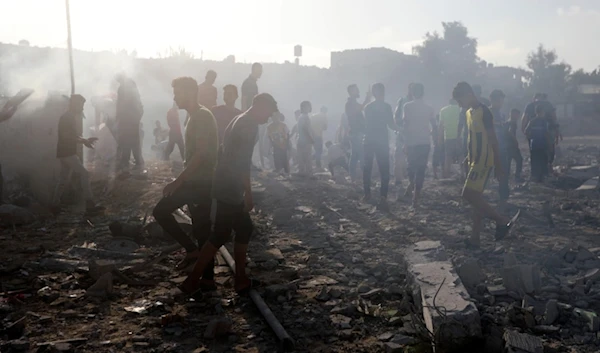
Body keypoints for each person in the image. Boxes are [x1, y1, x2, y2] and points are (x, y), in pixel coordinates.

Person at [180, 93, 279, 296]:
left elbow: (226, 152)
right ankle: (194, 280)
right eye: (268, 113)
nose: (268, 118)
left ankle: (239, 278)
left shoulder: (240, 119)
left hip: (226, 183)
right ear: (260, 106)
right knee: (221, 234)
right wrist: (248, 193)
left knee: (243, 228)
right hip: (229, 187)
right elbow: (242, 163)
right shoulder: (248, 126)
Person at [152, 77, 218, 277]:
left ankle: (206, 278)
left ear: (189, 93)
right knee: (199, 228)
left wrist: (177, 181)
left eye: (177, 92)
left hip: (200, 182)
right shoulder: (193, 117)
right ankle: (194, 256)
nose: (174, 97)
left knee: (199, 228)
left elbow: (201, 153)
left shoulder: (201, 116)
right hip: (195, 181)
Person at [452, 82, 519, 248]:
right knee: (477, 199)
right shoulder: (468, 113)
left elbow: (492, 139)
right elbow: (472, 138)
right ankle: (475, 238)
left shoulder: (485, 112)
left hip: (484, 160)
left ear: (468, 94)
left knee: (468, 194)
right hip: (474, 160)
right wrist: (467, 157)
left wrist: (498, 164)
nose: (459, 105)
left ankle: (502, 220)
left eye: (460, 101)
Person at [52, 94, 103, 213]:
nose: (82, 108)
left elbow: (71, 135)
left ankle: (54, 204)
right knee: (84, 174)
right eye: (81, 105)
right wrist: (84, 141)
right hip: (67, 152)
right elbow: (67, 136)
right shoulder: (67, 117)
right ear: (74, 104)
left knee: (63, 179)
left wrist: (84, 140)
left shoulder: (69, 117)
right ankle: (89, 203)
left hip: (65, 152)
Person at [362, 83, 399, 207]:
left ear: (373, 93)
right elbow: (391, 125)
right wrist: (402, 129)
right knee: (384, 170)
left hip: (368, 140)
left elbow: (366, 125)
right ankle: (383, 196)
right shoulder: (387, 107)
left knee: (367, 168)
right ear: (383, 92)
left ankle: (367, 194)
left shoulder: (368, 107)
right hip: (382, 141)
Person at [402, 83, 435, 209]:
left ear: (412, 93)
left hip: (411, 142)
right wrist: (433, 136)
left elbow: (405, 125)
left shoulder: (407, 106)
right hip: (424, 142)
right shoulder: (429, 108)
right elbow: (434, 125)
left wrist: (404, 142)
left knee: (411, 168)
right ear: (423, 93)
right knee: (421, 169)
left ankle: (412, 186)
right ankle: (416, 197)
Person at [115, 74, 144, 170]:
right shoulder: (131, 83)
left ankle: (125, 160)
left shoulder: (123, 88)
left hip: (128, 117)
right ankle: (137, 160)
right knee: (134, 139)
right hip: (135, 115)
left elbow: (121, 104)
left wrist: (118, 116)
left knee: (126, 138)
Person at [489, 89, 510, 209]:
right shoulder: (487, 113)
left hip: (502, 147)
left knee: (503, 173)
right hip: (490, 148)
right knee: (487, 173)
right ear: (493, 100)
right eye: (499, 100)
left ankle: (503, 198)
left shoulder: (501, 114)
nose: (501, 103)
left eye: (502, 100)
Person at [345, 84, 371, 181]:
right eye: (356, 90)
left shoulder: (353, 103)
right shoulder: (350, 103)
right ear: (351, 92)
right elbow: (357, 111)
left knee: (355, 156)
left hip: (355, 132)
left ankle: (353, 178)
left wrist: (367, 99)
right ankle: (365, 179)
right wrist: (366, 101)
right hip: (356, 133)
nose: (358, 91)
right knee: (361, 155)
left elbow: (362, 107)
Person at [393, 84, 413, 190]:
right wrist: (401, 128)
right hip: (402, 133)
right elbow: (396, 116)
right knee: (399, 157)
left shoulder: (417, 102)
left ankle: (411, 181)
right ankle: (398, 181)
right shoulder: (402, 100)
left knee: (411, 158)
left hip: (413, 134)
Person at [525, 105, 550, 182]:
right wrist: (549, 144)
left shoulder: (532, 121)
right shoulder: (544, 122)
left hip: (534, 145)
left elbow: (526, 131)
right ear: (540, 112)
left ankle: (535, 176)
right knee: (543, 160)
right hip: (542, 145)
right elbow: (546, 134)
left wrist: (531, 138)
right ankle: (542, 177)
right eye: (542, 112)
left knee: (535, 161)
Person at [439, 99, 461, 178]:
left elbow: (441, 126)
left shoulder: (443, 110)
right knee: (461, 156)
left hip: (448, 136)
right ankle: (463, 175)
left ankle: (446, 175)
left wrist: (440, 138)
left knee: (448, 157)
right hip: (460, 136)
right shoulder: (461, 109)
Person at [296, 101, 314, 176]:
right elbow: (304, 129)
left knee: (302, 157)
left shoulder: (301, 116)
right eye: (305, 107)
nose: (307, 108)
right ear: (302, 108)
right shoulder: (305, 117)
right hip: (305, 140)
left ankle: (302, 172)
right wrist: (310, 139)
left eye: (308, 106)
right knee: (307, 157)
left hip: (301, 139)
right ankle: (308, 173)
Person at [507, 108, 523, 182]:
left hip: (507, 146)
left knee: (508, 161)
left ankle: (507, 176)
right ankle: (517, 176)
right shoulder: (512, 123)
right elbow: (510, 132)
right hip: (512, 145)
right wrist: (515, 140)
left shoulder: (507, 122)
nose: (518, 117)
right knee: (519, 160)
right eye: (517, 115)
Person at [431, 114, 444, 180]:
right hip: (441, 145)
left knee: (435, 161)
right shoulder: (442, 126)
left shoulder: (435, 127)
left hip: (436, 145)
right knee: (442, 160)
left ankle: (435, 175)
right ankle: (442, 174)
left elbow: (432, 135)